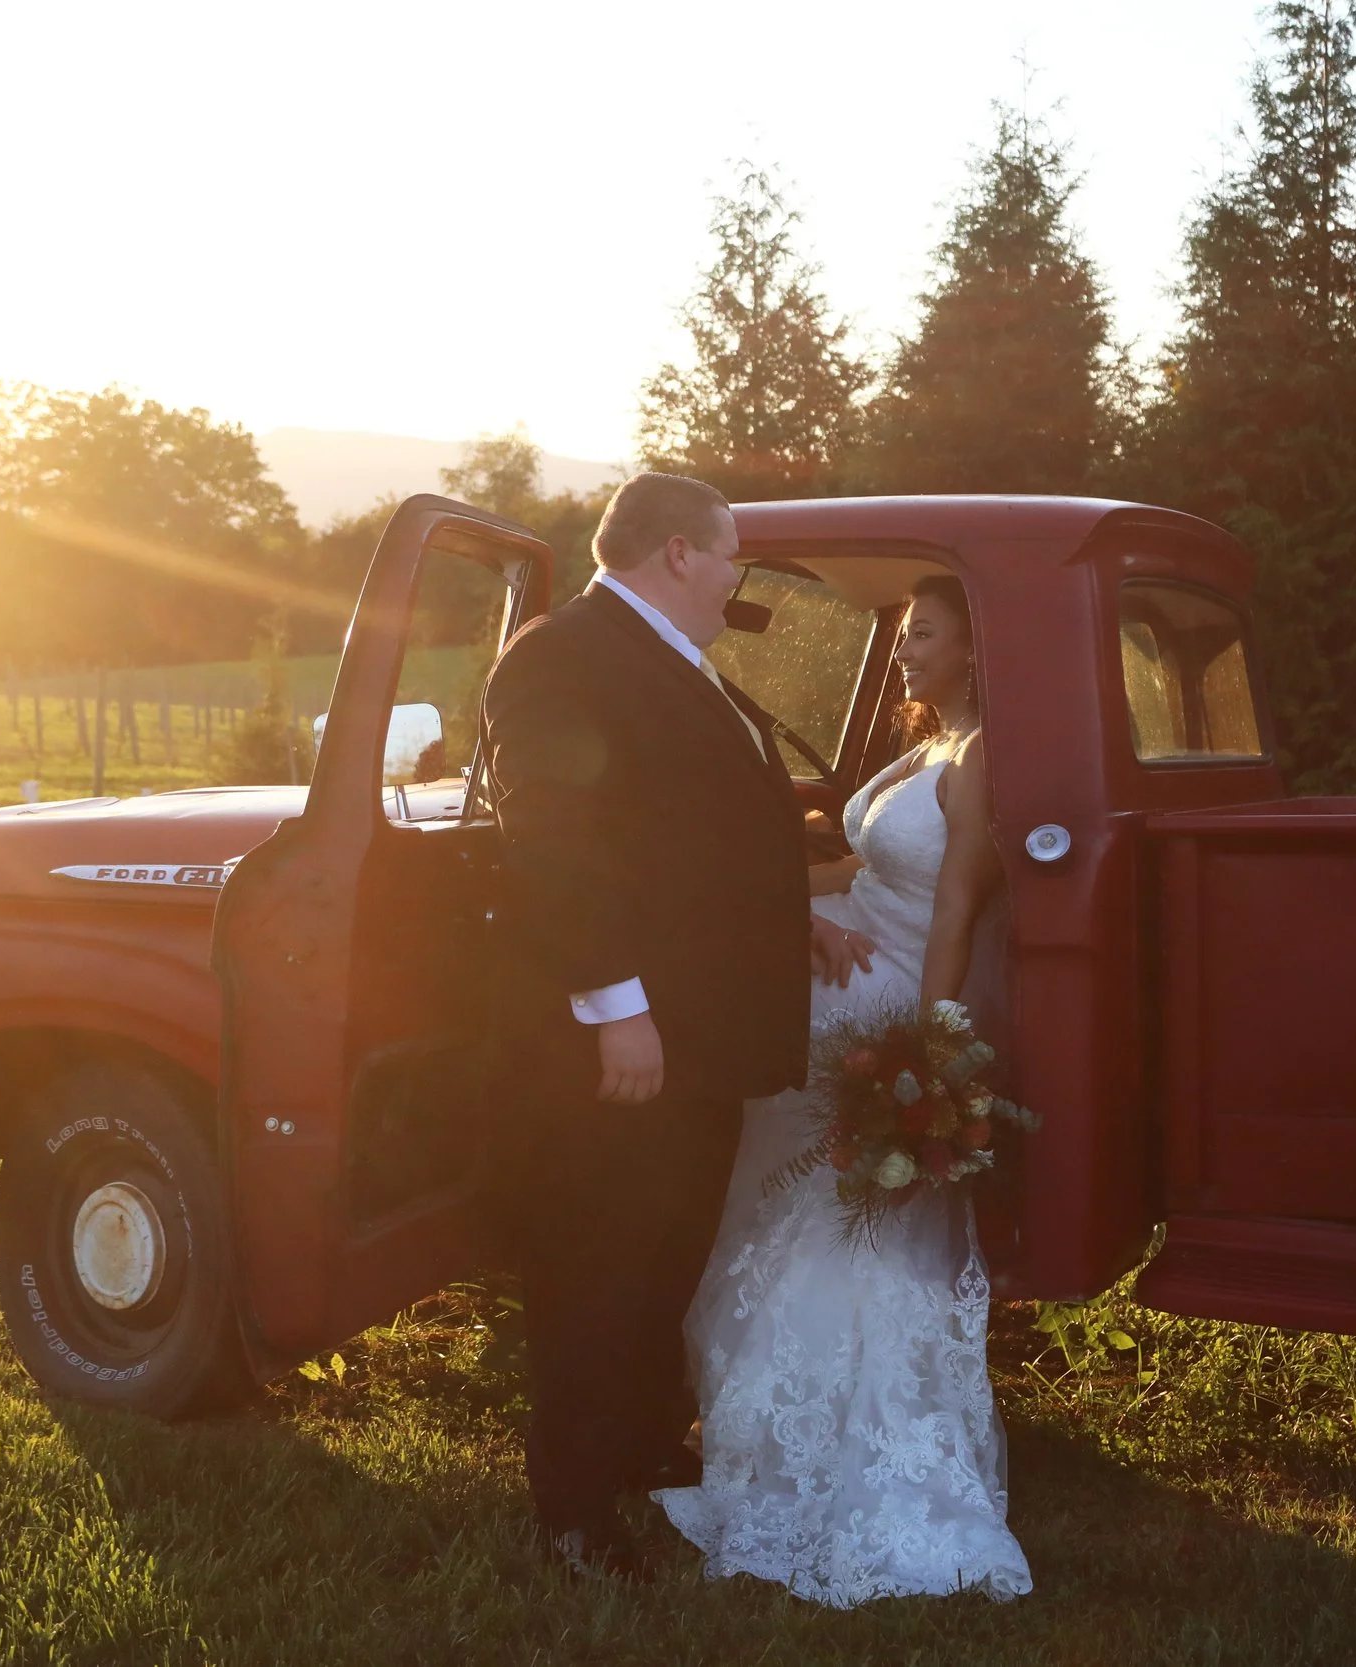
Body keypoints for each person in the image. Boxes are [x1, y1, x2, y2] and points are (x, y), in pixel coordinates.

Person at [481, 471, 873, 1578]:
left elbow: (694, 842)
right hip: (627, 1042)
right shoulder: (563, 656)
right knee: (599, 1264)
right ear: (677, 554)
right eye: (732, 556)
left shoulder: (674, 659)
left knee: (664, 1259)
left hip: (699, 1034)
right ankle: (571, 1510)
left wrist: (787, 925)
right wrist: (619, 1010)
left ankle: (641, 1453)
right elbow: (555, 848)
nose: (739, 578)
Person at [655, 573, 1035, 1607]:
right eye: (907, 635)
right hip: (855, 951)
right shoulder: (924, 746)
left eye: (924, 635)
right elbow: (862, 873)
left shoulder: (985, 752)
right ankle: (753, 1419)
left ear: (976, 649)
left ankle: (832, 1447)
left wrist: (932, 1040)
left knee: (820, 1196)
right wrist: (760, 893)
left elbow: (952, 908)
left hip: (898, 991)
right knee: (776, 1185)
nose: (907, 651)